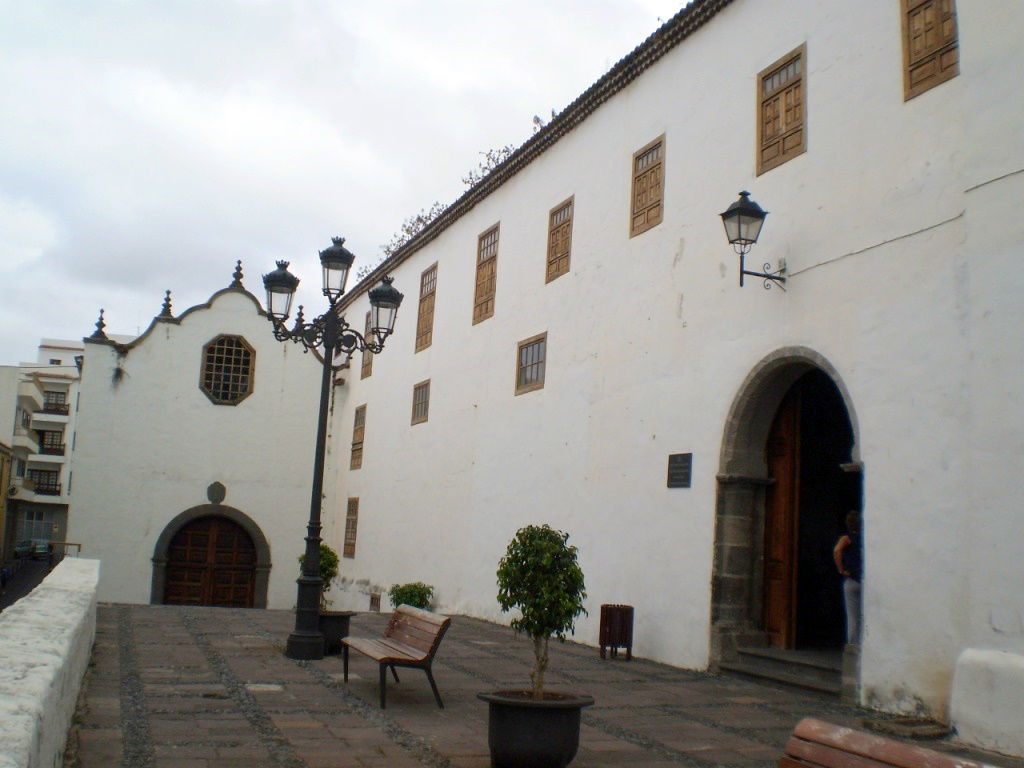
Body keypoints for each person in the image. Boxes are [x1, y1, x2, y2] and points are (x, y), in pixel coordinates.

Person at [833, 511, 862, 644]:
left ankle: (852, 646)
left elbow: (837, 550)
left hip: (851, 579)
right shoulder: (864, 538)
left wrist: (841, 570)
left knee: (852, 616)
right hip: (864, 579)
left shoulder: (847, 538)